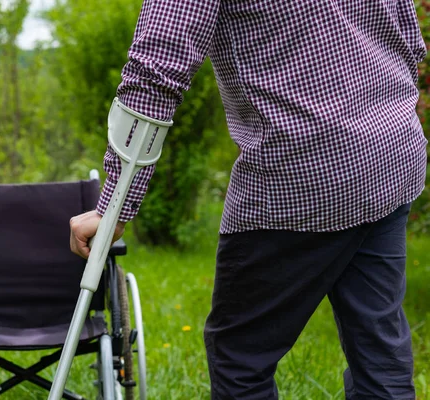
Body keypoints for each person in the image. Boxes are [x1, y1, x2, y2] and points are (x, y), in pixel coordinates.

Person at [69, 0, 427, 398]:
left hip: (301, 172)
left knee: (241, 358)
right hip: (392, 147)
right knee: (379, 349)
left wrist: (114, 206)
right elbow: (407, 34)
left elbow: (155, 72)